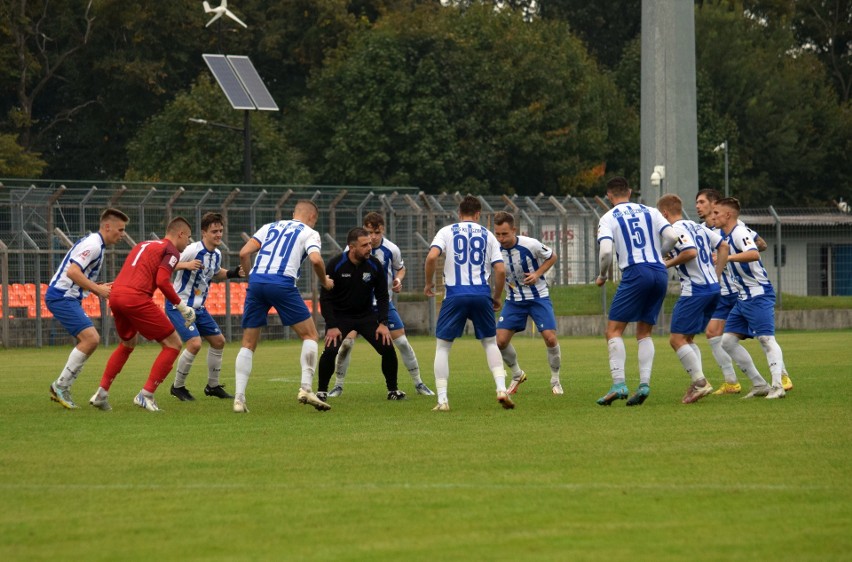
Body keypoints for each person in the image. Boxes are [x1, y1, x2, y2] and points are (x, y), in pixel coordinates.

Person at [233, 200, 334, 413]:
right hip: (281, 282)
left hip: (257, 281)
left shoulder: (269, 226)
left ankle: (239, 399)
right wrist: (325, 282)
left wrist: (251, 280)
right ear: (313, 218)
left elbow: (244, 253)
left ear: (294, 213)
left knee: (248, 343)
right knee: (310, 335)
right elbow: (316, 260)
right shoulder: (309, 232)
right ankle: (306, 388)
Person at [89, 217, 197, 412]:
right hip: (135, 298)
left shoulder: (143, 244)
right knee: (174, 344)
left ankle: (101, 393)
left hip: (116, 296)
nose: (187, 243)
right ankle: (146, 395)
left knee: (128, 343)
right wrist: (182, 307)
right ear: (180, 234)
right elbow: (163, 281)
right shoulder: (170, 249)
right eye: (188, 238)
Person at [695, 189, 792, 393]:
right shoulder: (721, 234)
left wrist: (728, 258)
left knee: (766, 339)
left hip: (758, 293)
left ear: (726, 214)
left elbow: (755, 253)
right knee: (727, 341)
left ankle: (779, 384)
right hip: (742, 296)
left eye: (716, 213)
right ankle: (759, 384)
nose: (713, 217)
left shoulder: (739, 232)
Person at [327, 212, 434, 397]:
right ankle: (338, 385)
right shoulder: (352, 249)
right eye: (369, 232)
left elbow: (400, 269)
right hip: (356, 307)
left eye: (376, 232)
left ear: (382, 229)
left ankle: (418, 383)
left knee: (402, 342)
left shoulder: (391, 249)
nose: (373, 236)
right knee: (346, 344)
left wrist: (398, 281)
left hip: (383, 305)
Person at [594, 177, 678, 406]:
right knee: (644, 332)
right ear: (630, 192)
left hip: (635, 272)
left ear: (609, 196)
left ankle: (619, 383)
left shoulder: (608, 217)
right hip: (659, 272)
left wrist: (602, 276)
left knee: (613, 331)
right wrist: (659, 256)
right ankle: (644, 384)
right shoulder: (651, 211)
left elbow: (605, 253)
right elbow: (672, 237)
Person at [424, 195, 510, 411]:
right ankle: (501, 389)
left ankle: (443, 400)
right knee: (490, 342)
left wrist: (428, 283)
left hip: (454, 294)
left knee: (443, 347)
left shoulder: (447, 231)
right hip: (481, 293)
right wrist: (497, 296)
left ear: (459, 213)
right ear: (478, 214)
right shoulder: (488, 234)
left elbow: (432, 257)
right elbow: (500, 269)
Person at [47, 208, 128, 409]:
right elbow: (73, 272)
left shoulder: (96, 244)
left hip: (68, 297)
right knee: (91, 339)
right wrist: (98, 290)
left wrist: (99, 285)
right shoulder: (93, 245)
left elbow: (77, 274)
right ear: (107, 227)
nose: (122, 234)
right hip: (62, 296)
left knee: (90, 339)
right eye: (120, 229)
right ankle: (60, 386)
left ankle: (61, 386)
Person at [316, 227, 404, 401]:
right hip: (340, 317)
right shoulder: (335, 264)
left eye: (370, 244)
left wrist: (383, 323)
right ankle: (321, 391)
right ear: (352, 247)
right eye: (364, 245)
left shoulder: (374, 264)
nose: (369, 248)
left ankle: (392, 390)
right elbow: (325, 298)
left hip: (366, 316)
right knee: (330, 350)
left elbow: (382, 296)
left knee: (387, 348)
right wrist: (332, 325)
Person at [657, 194, 729, 404]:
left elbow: (689, 252)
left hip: (695, 290)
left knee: (676, 339)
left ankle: (700, 382)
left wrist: (666, 264)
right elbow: (723, 246)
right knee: (687, 339)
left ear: (664, 214)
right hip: (713, 289)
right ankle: (697, 381)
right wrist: (716, 274)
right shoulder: (697, 227)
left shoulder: (676, 229)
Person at [166, 212, 244, 402]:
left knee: (219, 341)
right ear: (204, 233)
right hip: (179, 305)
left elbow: (216, 273)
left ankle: (213, 386)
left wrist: (234, 272)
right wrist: (186, 265)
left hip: (199, 308)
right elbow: (167, 265)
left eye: (221, 231)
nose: (218, 235)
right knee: (195, 343)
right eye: (214, 231)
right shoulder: (192, 250)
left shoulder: (216, 254)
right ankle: (178, 387)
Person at [491, 211, 564, 396]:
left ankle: (555, 380)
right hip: (514, 300)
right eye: (498, 234)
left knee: (550, 338)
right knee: (499, 341)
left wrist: (537, 274)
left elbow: (552, 256)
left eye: (505, 234)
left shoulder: (530, 244)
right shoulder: (493, 248)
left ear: (514, 230)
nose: (501, 238)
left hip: (538, 297)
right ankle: (517, 374)